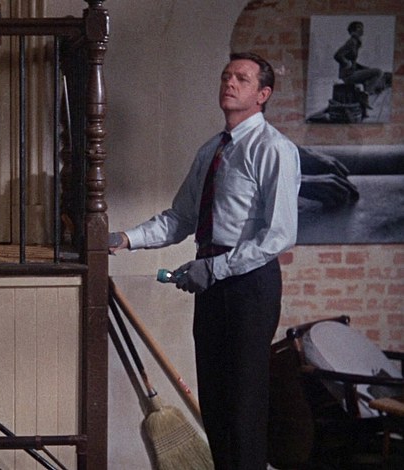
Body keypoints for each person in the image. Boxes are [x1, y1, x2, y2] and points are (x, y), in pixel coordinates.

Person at [110, 52, 301, 469]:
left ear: (263, 94)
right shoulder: (211, 150)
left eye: (242, 79)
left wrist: (213, 268)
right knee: (215, 404)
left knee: (243, 408)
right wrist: (126, 239)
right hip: (209, 285)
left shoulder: (274, 149)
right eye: (226, 76)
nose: (229, 83)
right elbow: (181, 218)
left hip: (249, 287)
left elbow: (280, 234)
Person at [334, 21, 385, 97]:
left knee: (371, 71)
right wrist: (346, 63)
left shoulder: (355, 42)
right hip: (348, 76)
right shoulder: (352, 42)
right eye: (359, 28)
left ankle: (366, 92)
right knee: (378, 72)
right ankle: (367, 93)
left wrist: (363, 67)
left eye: (362, 28)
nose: (361, 30)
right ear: (353, 31)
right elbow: (337, 55)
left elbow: (352, 61)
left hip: (350, 73)